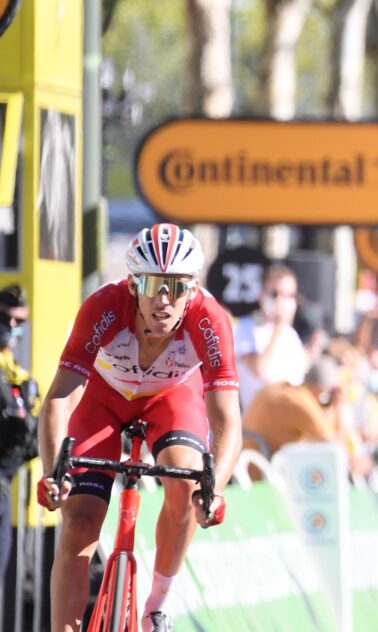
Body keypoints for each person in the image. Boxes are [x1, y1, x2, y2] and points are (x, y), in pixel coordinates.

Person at [36, 224, 241, 632]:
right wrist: (52, 472)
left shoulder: (209, 319)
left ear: (193, 287)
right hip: (102, 397)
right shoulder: (104, 306)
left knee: (185, 484)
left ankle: (156, 604)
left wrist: (214, 491)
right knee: (80, 519)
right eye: (152, 284)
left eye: (177, 287)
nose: (164, 299)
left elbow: (227, 418)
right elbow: (60, 396)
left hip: (171, 397)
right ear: (133, 285)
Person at [0, 285, 37, 590]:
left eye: (19, 321)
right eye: (4, 317)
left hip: (6, 482)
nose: (11, 326)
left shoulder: (16, 373)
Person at [235, 263, 308, 410]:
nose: (282, 301)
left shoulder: (291, 334)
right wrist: (279, 327)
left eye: (289, 296)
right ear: (262, 295)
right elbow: (260, 369)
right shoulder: (245, 328)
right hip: (257, 422)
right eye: (275, 294)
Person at [242, 355, 343, 458]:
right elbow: (334, 446)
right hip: (261, 469)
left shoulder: (278, 387)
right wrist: (337, 406)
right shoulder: (302, 403)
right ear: (324, 390)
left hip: (244, 459)